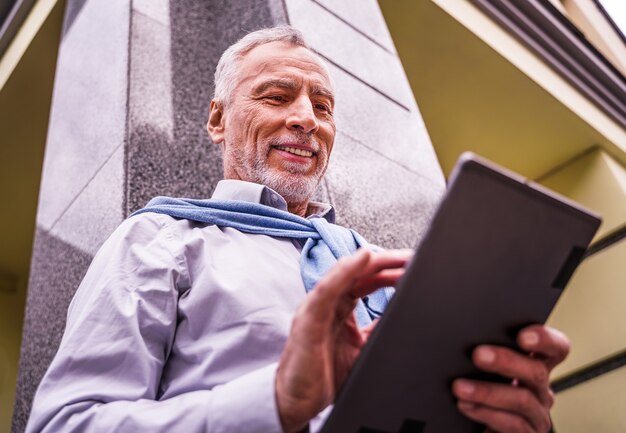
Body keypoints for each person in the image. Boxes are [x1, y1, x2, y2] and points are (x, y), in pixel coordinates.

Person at [26, 26, 569, 433]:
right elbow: (65, 424)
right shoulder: (158, 240)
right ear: (218, 121)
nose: (307, 118)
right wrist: (277, 402)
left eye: (323, 106)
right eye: (277, 96)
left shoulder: (394, 268)